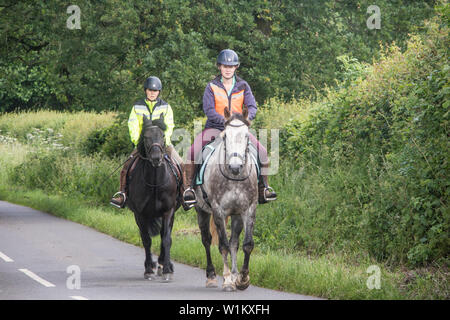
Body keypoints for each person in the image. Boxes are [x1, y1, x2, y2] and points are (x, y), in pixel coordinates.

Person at [182, 49, 277, 207]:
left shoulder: (243, 85)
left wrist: (243, 121)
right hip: (214, 128)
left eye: (231, 66)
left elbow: (252, 106)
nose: (228, 69)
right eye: (225, 66)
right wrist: (225, 122)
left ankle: (264, 188)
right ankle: (189, 190)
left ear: (236, 67)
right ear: (219, 67)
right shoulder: (211, 86)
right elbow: (209, 110)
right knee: (192, 151)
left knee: (262, 152)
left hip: (238, 130)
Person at [110, 76, 185, 208]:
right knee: (126, 167)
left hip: (162, 144)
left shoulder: (166, 107)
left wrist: (164, 141)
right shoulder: (137, 107)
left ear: (159, 92)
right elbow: (132, 125)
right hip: (143, 144)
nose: (152, 93)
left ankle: (184, 193)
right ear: (146, 91)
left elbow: (170, 125)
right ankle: (122, 194)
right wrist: (138, 142)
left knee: (181, 164)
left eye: (155, 91)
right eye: (150, 90)